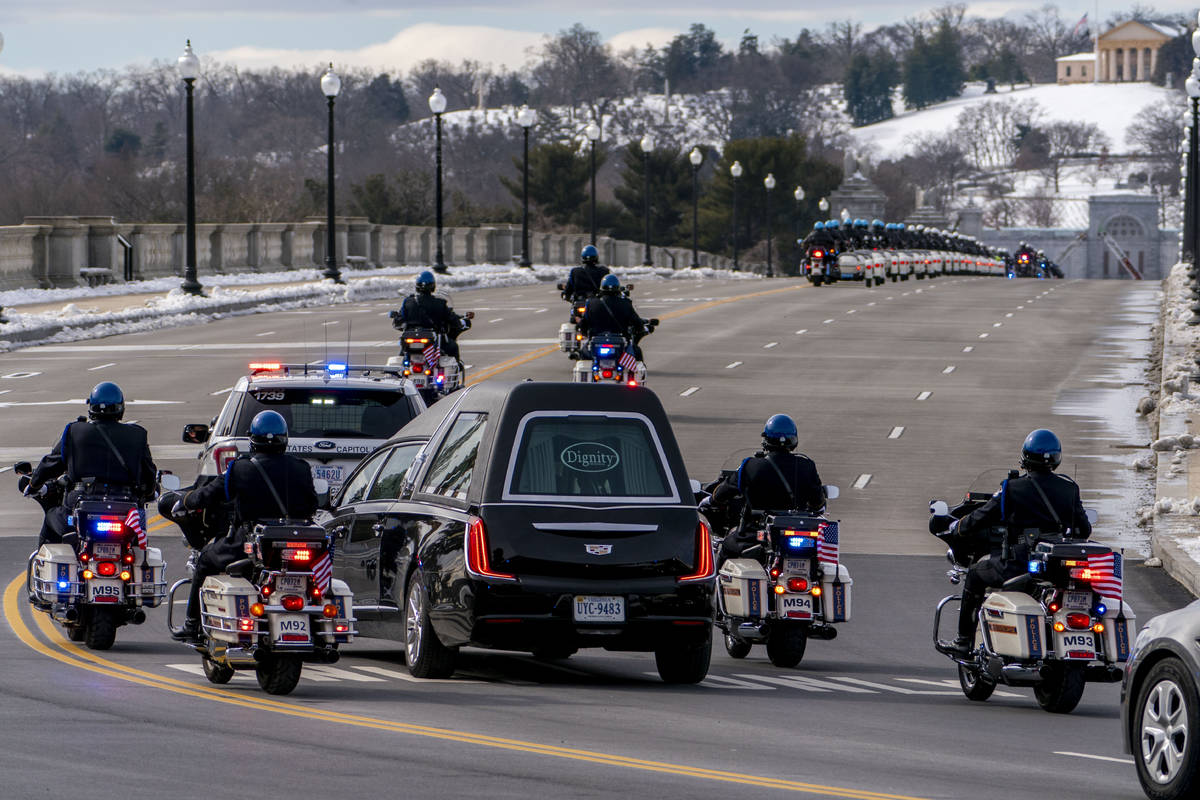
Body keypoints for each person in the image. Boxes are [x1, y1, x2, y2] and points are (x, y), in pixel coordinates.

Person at [943, 429, 1090, 653]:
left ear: (1025, 457)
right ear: (1057, 458)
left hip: (1017, 564)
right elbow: (1084, 529)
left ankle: (963, 641)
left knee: (974, 575)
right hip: (1055, 567)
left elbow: (983, 516)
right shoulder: (1070, 488)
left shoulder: (1012, 488)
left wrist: (959, 526)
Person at [176, 410, 317, 640]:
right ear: (285, 438)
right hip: (296, 545)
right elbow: (312, 505)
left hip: (250, 544)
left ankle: (192, 624)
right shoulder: (301, 467)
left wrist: (186, 500)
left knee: (204, 560)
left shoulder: (241, 468)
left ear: (253, 439)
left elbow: (209, 494)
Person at [28, 382, 156, 546]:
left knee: (51, 516)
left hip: (81, 501)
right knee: (139, 546)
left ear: (92, 407)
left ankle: (43, 571)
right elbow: (148, 472)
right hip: (125, 505)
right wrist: (150, 492)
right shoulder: (137, 435)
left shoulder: (74, 431)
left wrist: (34, 484)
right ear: (121, 407)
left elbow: (52, 463)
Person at [708, 415, 826, 566]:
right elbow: (818, 504)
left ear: (766, 440)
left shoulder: (750, 466)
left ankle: (715, 588)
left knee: (727, 547)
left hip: (754, 536)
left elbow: (720, 494)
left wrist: (712, 500)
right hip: (800, 537)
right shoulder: (807, 466)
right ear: (794, 439)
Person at [390, 270, 471, 363]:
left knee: (402, 353)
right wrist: (461, 322)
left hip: (411, 341)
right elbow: (453, 320)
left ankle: (398, 372)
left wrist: (397, 319)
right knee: (453, 347)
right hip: (433, 341)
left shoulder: (408, 302)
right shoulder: (440, 303)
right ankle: (454, 372)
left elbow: (398, 321)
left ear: (417, 286)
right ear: (433, 286)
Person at [578, 274, 652, 362]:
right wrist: (640, 328)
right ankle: (632, 375)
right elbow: (636, 322)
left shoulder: (591, 303)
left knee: (583, 353)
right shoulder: (625, 303)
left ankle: (585, 375)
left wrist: (585, 332)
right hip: (620, 342)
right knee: (637, 353)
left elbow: (583, 324)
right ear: (617, 288)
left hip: (597, 342)